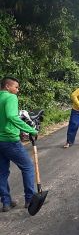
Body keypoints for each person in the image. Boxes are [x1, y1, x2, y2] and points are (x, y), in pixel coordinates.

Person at [0, 77, 38, 212]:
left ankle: (6, 202)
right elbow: (11, 116)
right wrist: (30, 130)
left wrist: (19, 130)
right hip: (9, 140)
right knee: (27, 167)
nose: (17, 89)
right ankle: (30, 199)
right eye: (16, 87)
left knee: (2, 172)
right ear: (7, 86)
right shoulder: (10, 98)